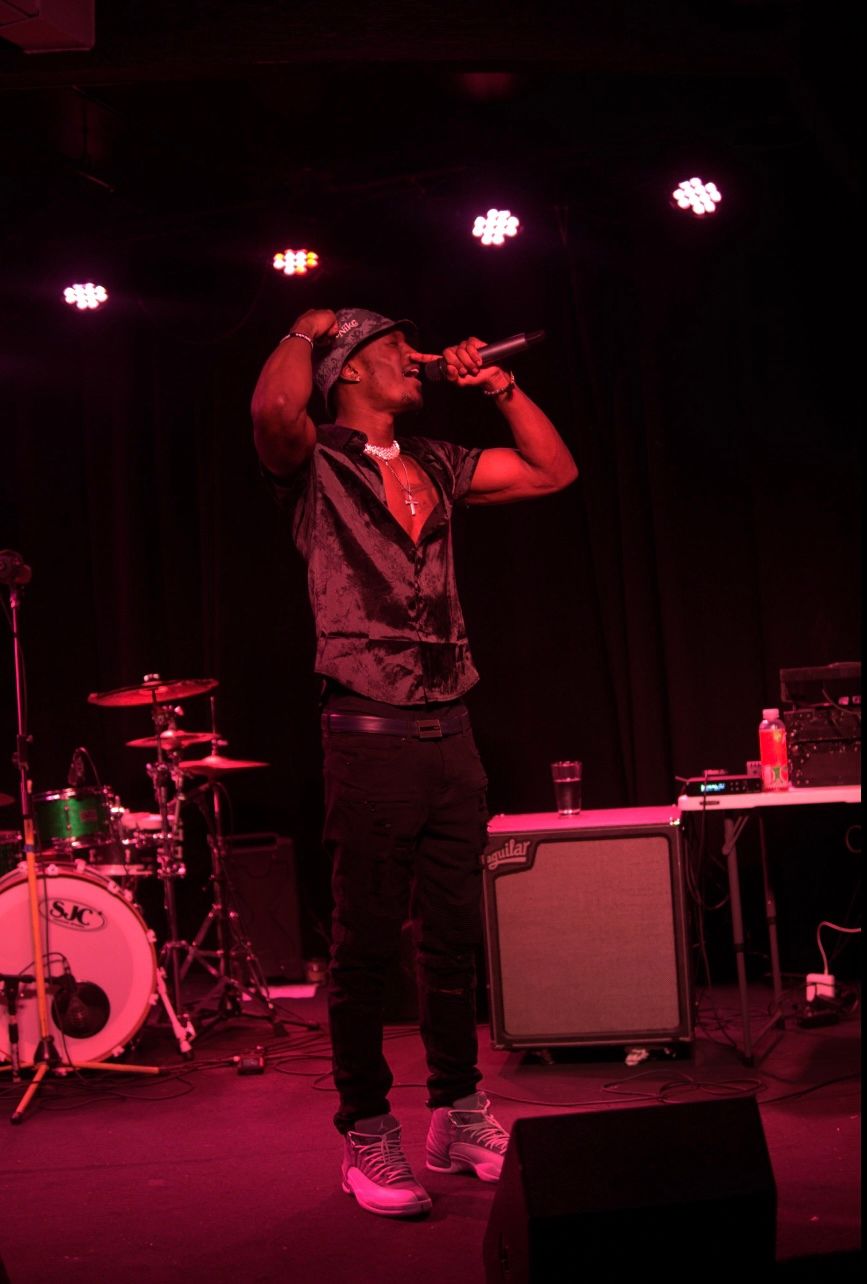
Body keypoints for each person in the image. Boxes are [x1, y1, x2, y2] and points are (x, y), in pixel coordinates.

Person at [251, 307, 577, 1218]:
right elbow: (272, 412)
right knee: (363, 948)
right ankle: (365, 1130)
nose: (414, 358)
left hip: (450, 726)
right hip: (367, 730)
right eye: (392, 349)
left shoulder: (436, 459)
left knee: (453, 939)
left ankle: (456, 1113)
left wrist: (499, 385)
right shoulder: (314, 459)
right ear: (349, 371)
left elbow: (553, 470)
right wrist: (304, 328)